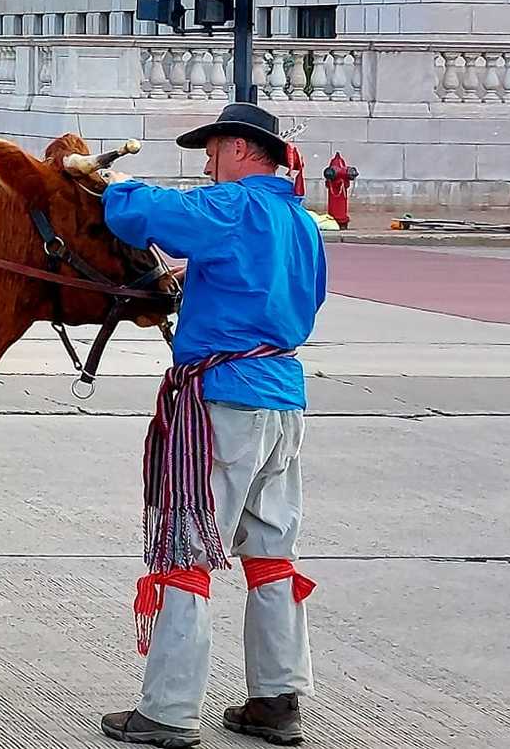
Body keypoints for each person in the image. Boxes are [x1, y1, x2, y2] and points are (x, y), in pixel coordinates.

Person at [95, 101, 328, 749]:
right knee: (272, 551)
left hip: (222, 400)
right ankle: (277, 700)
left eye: (213, 149)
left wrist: (109, 184)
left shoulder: (237, 207)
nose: (206, 162)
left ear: (243, 149)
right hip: (283, 399)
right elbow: (295, 297)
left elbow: (147, 214)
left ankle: (168, 710)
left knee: (189, 550)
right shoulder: (300, 222)